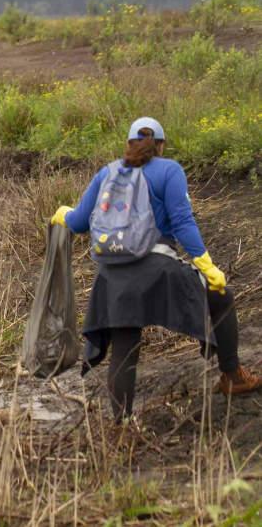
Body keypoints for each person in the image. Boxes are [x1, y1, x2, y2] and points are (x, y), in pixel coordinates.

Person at [50, 117, 262, 421]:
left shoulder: (106, 174)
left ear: (129, 144)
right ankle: (233, 377)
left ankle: (121, 426)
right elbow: (182, 222)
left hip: (112, 278)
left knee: (125, 347)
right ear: (160, 146)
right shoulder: (169, 170)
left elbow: (80, 222)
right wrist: (207, 266)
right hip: (157, 269)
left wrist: (63, 214)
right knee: (222, 297)